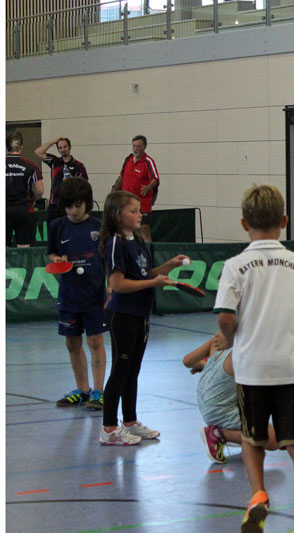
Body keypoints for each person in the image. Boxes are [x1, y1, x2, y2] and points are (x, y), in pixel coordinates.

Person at [214, 184, 294, 533]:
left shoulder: (235, 265)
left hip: (252, 370)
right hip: (290, 369)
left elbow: (225, 317)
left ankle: (258, 494)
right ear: (284, 221)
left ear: (244, 224)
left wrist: (231, 337)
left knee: (252, 438)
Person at [98, 191, 187, 446]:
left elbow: (145, 274)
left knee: (133, 370)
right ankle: (109, 428)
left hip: (140, 314)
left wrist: (168, 266)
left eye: (139, 210)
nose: (140, 215)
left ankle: (130, 421)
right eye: (133, 211)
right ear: (118, 215)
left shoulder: (137, 239)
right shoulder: (116, 243)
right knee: (120, 370)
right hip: (123, 315)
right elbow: (118, 284)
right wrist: (153, 283)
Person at [182, 332, 294, 464]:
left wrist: (204, 366)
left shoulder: (218, 341)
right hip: (219, 410)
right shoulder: (245, 357)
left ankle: (233, 434)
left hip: (205, 400)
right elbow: (288, 381)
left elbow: (188, 361)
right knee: (272, 439)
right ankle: (219, 433)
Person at [47, 178, 107, 410]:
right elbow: (52, 253)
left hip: (94, 293)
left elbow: (108, 259)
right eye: (69, 206)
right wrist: (57, 259)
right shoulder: (57, 226)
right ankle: (82, 390)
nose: (73, 210)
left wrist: (110, 288)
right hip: (69, 294)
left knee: (95, 341)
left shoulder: (99, 227)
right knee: (72, 343)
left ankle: (98, 392)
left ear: (87, 203)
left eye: (78, 205)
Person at [112, 135, 160, 242]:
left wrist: (148, 187)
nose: (135, 149)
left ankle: (148, 251)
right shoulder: (128, 160)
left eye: (138, 146)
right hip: (126, 202)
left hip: (142, 203)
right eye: (134, 146)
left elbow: (155, 179)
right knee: (125, 228)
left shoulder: (148, 161)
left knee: (143, 228)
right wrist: (114, 190)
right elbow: (121, 177)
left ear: (144, 147)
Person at [34, 137, 90, 226]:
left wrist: (72, 181)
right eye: (60, 147)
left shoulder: (78, 165)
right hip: (54, 204)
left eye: (65, 147)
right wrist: (53, 141)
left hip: (70, 204)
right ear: (58, 149)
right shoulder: (54, 161)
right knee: (52, 230)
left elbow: (85, 185)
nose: (63, 149)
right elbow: (38, 152)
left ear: (70, 147)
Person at [6, 132, 44, 247]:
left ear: (7, 147)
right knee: (24, 249)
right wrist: (34, 200)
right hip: (24, 210)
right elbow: (40, 190)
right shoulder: (31, 165)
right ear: (21, 147)